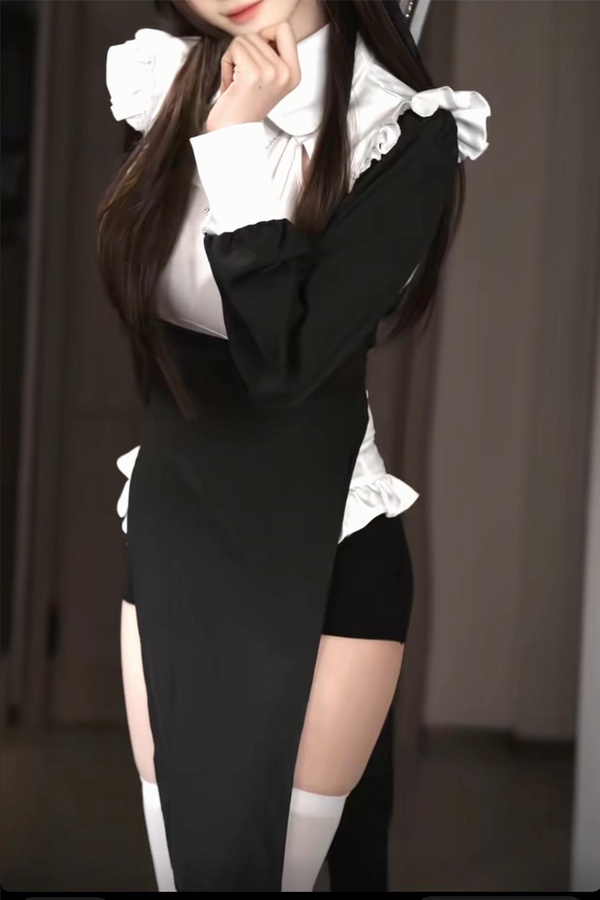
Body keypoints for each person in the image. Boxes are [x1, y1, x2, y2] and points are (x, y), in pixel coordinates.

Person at [99, 0, 490, 890]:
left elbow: (287, 364)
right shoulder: (165, 82)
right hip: (171, 533)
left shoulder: (402, 131)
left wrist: (237, 143)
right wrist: (221, 118)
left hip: (320, 548)